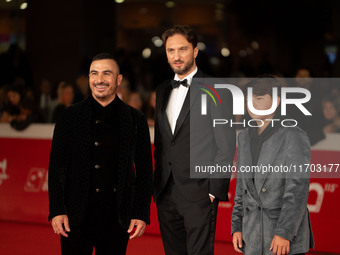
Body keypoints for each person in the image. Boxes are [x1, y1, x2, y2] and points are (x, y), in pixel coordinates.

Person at [48, 53, 153, 255]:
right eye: (94, 74)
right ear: (89, 78)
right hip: (75, 216)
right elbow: (57, 166)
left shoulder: (135, 119)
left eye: (107, 74)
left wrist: (141, 212)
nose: (100, 80)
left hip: (116, 217)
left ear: (118, 79)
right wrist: (57, 210)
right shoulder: (70, 116)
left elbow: (145, 170)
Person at [153, 25, 235, 255]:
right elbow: (162, 142)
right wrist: (157, 186)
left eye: (182, 49)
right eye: (171, 50)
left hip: (199, 193)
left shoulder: (216, 89)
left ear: (195, 51)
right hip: (166, 193)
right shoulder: (162, 90)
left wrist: (213, 191)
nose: (176, 56)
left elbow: (226, 145)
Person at [231, 76, 314, 255]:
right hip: (251, 232)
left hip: (281, 235)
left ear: (276, 101)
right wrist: (236, 226)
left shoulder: (293, 135)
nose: (252, 104)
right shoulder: (244, 136)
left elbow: (297, 190)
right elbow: (241, 187)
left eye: (259, 99)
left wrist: (284, 233)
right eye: (249, 99)